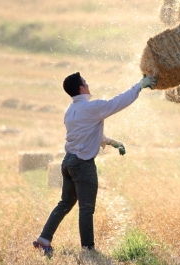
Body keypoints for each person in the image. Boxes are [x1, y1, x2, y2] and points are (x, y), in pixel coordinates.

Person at [32, 72, 157, 256]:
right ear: (81, 88)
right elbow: (118, 102)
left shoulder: (71, 110)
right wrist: (139, 85)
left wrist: (112, 142)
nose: (88, 83)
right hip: (83, 165)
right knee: (86, 208)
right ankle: (88, 249)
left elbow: (88, 132)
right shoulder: (92, 107)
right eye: (85, 82)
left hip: (68, 162)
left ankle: (44, 239)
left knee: (65, 203)